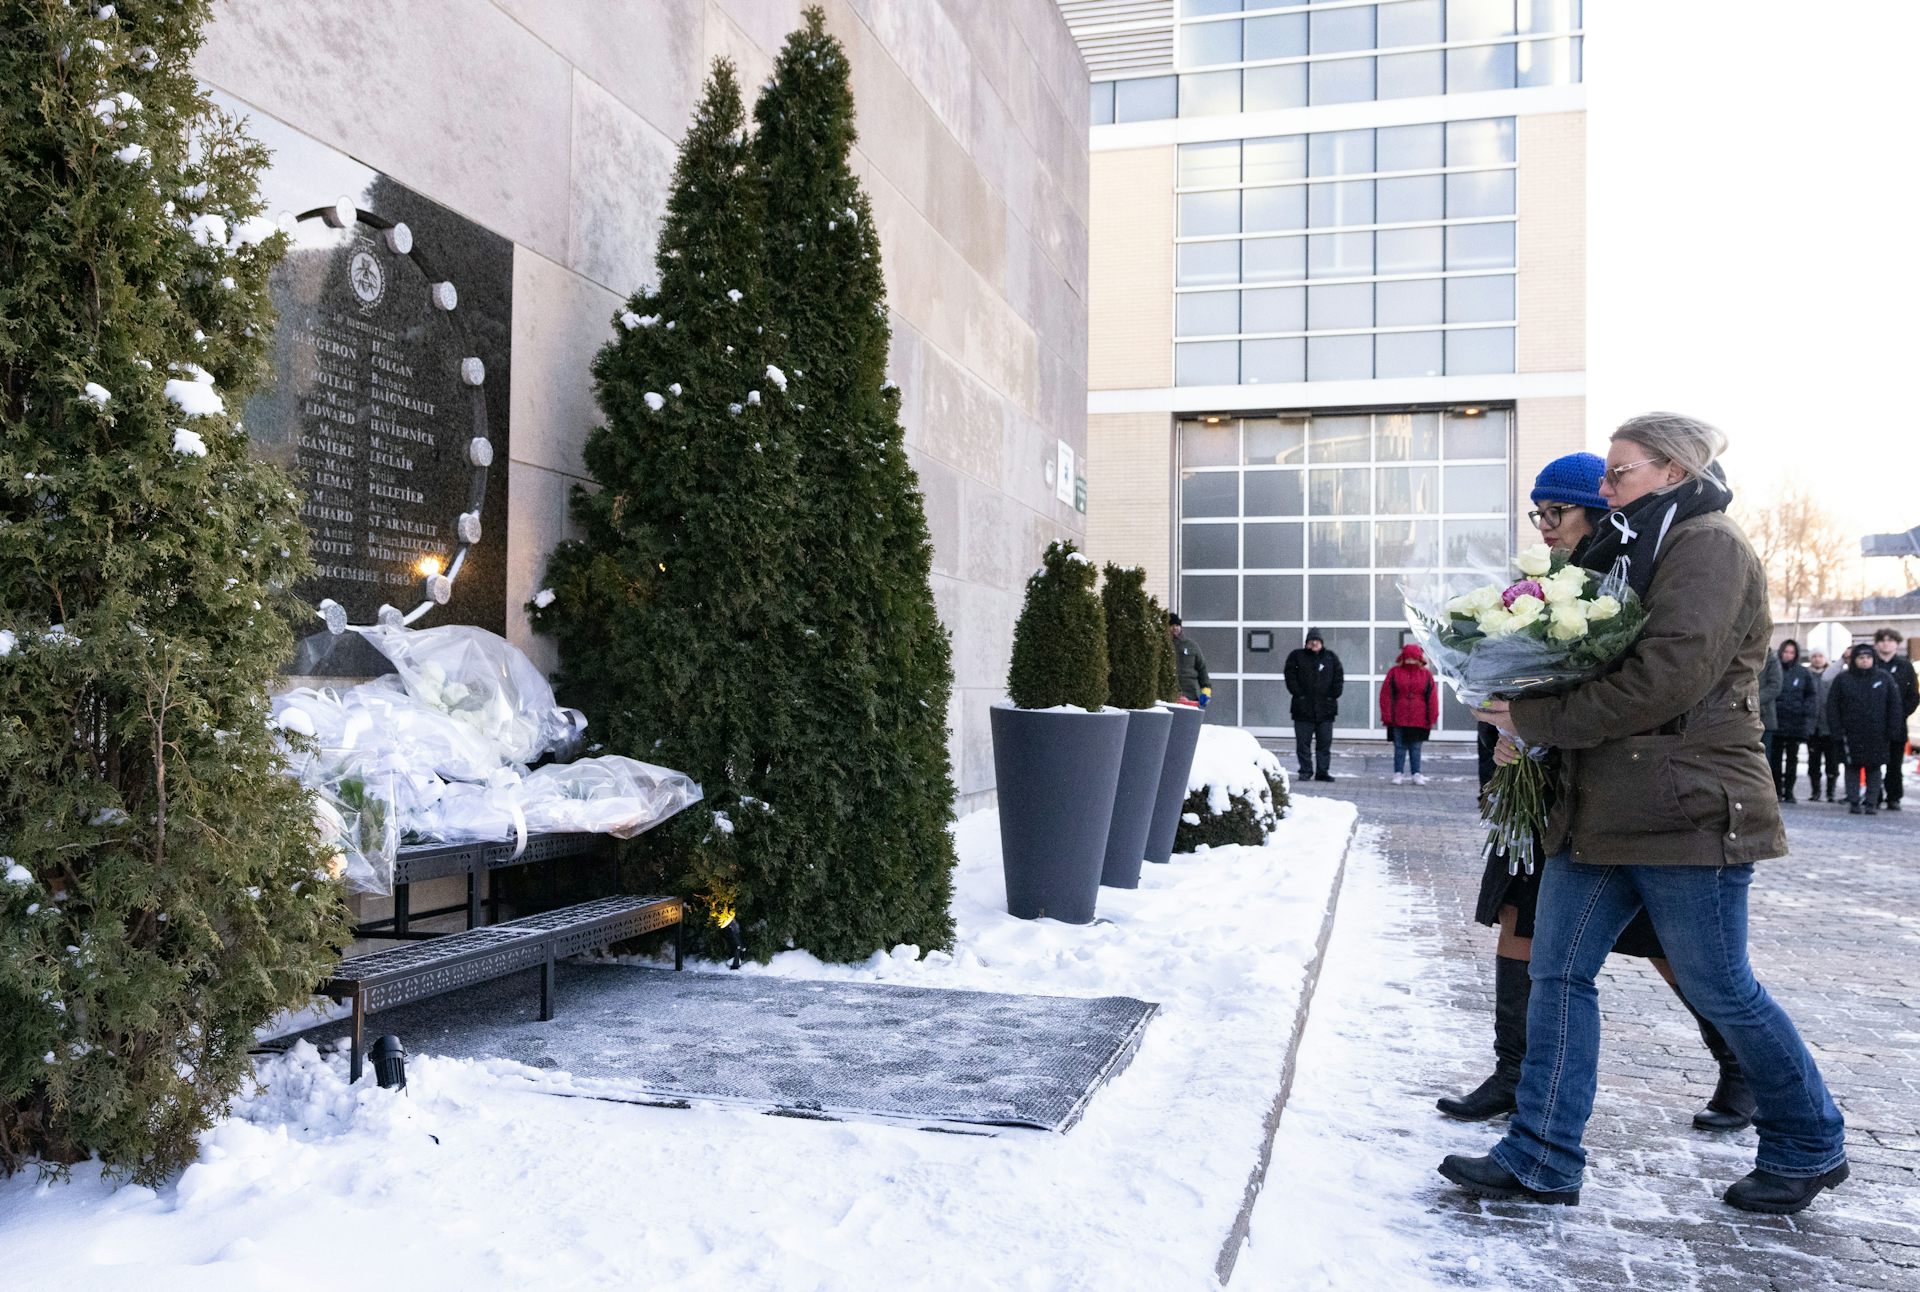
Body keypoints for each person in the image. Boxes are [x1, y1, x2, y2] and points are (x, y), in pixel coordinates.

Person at [1448, 413, 1847, 1216]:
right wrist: (1519, 719)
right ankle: (1542, 1155)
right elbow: (1590, 659)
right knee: (1558, 974)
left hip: (1685, 805)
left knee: (1719, 985)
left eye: (1618, 472)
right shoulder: (1620, 548)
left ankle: (1810, 1140)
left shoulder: (1707, 545)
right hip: (1598, 805)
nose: (1604, 488)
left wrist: (1537, 723)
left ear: (1670, 469)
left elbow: (1668, 676)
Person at [1440, 451, 1747, 1133]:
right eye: (1539, 512)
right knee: (1520, 917)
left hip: (1609, 793)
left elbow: (1640, 688)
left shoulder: (1628, 585)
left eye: (1558, 511)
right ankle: (1514, 1072)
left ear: (1600, 511)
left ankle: (1739, 1067)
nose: (1545, 525)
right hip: (1537, 785)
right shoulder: (1541, 586)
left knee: (1672, 946)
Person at [1830, 642, 1901, 814]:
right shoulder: (1843, 679)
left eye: (1868, 657)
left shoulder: (1884, 678)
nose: (1864, 661)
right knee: (1852, 767)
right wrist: (1836, 730)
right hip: (1850, 733)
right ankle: (1854, 801)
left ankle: (1871, 802)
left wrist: (1893, 730)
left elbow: (1894, 706)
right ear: (1854, 659)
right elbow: (1833, 706)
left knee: (1874, 769)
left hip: (1877, 733)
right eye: (1861, 657)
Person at [1284, 628, 1342, 781]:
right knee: (1303, 744)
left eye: (1317, 640)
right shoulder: (1297, 656)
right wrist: (1299, 694)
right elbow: (1290, 676)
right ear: (1307, 643)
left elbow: (1338, 677)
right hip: (1302, 710)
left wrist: (1332, 696)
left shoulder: (1330, 658)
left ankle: (1322, 772)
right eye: (1311, 640)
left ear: (1321, 642)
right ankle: (1305, 770)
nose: (1314, 643)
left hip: (1326, 710)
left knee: (1324, 744)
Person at [1872, 627, 1918, 811]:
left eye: (1890, 640)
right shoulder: (1871, 663)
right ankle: (1874, 795)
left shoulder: (1904, 666)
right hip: (1874, 723)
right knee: (1874, 763)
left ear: (1896, 644)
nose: (1886, 643)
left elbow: (1913, 695)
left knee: (1894, 763)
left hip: (1897, 724)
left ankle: (1893, 796)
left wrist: (1901, 713)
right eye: (1882, 640)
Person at [1379, 643, 1438, 785]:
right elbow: (1386, 695)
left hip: (1419, 718)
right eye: (1408, 658)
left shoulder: (1426, 675)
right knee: (1399, 747)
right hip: (1398, 717)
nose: (1411, 661)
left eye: (1413, 658)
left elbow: (1432, 697)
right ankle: (1398, 773)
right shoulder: (1394, 672)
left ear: (1419, 659)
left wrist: (1432, 716)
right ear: (1403, 658)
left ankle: (1416, 773)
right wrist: (1387, 716)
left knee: (1416, 747)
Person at [1770, 640, 1815, 802]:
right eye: (1786, 652)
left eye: (1791, 653)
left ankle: (1789, 790)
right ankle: (1776, 789)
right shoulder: (1774, 669)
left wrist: (1805, 714)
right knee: (1775, 759)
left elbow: (1810, 695)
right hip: (1777, 721)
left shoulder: (1803, 673)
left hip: (1795, 722)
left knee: (1792, 759)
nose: (1788, 655)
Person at [1806, 648, 1839, 802]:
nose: (1817, 659)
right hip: (1813, 727)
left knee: (1832, 762)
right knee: (1814, 762)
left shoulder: (1834, 676)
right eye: (1814, 656)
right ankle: (1815, 791)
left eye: (1820, 656)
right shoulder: (1807, 675)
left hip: (1830, 726)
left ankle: (1831, 792)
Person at [1167, 613, 1211, 709]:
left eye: (1177, 625)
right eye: (1172, 625)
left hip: (1190, 695)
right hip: (1168, 697)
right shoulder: (1162, 646)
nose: (1175, 628)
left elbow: (1202, 668)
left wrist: (1206, 692)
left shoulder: (1191, 646)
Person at [1758, 644, 1782, 771]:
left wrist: (1753, 700)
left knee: (1763, 759)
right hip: (1742, 716)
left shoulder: (1771, 658)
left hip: (1764, 716)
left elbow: (1775, 686)